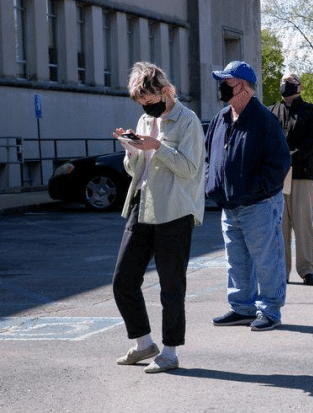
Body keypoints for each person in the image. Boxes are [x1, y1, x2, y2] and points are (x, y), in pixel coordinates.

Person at [112, 62, 205, 373]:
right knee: (123, 280)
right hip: (143, 203)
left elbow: (190, 169)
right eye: (141, 104)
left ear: (165, 92)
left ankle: (170, 352)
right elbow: (135, 169)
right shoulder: (142, 119)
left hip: (175, 210)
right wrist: (131, 150)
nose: (146, 109)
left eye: (150, 103)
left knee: (171, 286)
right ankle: (143, 343)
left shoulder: (187, 120)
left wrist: (157, 147)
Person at [206, 61, 291, 331]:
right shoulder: (221, 118)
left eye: (226, 82)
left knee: (267, 259)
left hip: (259, 205)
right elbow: (210, 156)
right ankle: (242, 307)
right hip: (229, 205)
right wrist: (213, 185)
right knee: (236, 260)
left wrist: (255, 189)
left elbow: (279, 163)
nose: (221, 87)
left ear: (241, 85)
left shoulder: (264, 119)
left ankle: (270, 310)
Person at [269, 73, 313, 286]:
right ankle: (282, 271)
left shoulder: (311, 111)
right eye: (283, 81)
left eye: (290, 82)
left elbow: (312, 142)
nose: (285, 85)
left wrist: (288, 157)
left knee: (303, 224)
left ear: (299, 87)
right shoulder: (271, 111)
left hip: (302, 173)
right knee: (280, 226)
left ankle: (307, 270)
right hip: (278, 177)